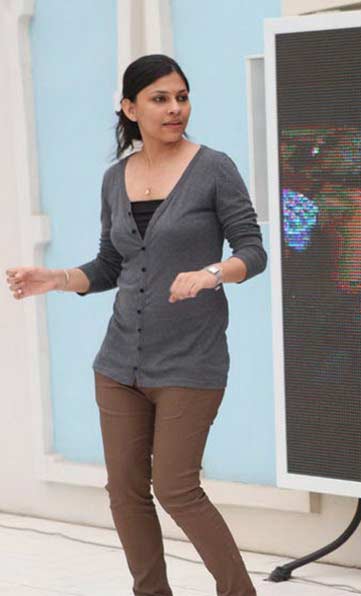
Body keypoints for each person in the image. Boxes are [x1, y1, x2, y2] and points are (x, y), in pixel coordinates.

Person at [6, 54, 266, 596]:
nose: (176, 109)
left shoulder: (214, 167)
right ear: (129, 108)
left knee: (176, 487)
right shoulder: (114, 178)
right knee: (124, 492)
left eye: (182, 97)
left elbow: (253, 250)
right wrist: (55, 278)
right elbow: (109, 265)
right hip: (119, 362)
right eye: (160, 99)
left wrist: (212, 273)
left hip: (191, 360)